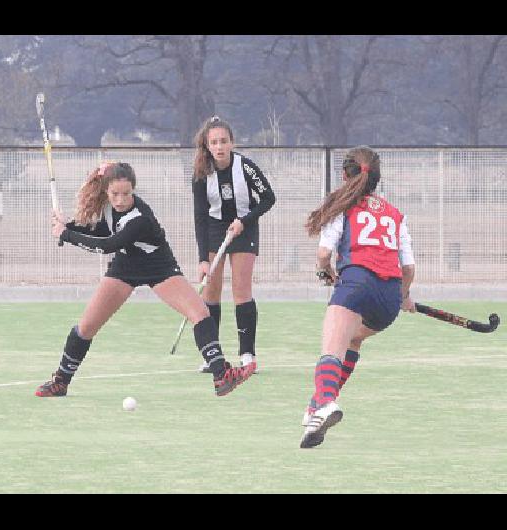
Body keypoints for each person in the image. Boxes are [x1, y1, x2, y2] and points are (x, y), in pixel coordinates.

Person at [36, 162, 247, 398]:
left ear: (133, 190)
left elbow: (108, 245)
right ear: (106, 190)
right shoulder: (109, 207)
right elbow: (102, 232)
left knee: (200, 313)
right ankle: (61, 381)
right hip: (124, 267)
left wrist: (67, 235)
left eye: (126, 194)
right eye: (115, 194)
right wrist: (69, 225)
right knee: (86, 327)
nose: (120, 200)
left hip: (158, 267)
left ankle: (221, 375)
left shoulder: (140, 217)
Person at [299, 146, 415, 449]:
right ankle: (316, 410)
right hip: (388, 300)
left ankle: (324, 403)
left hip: (356, 285)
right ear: (377, 178)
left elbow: (324, 255)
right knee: (352, 339)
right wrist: (404, 296)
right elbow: (408, 268)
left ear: (344, 175)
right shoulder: (395, 214)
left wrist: (325, 274)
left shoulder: (343, 206)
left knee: (331, 348)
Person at [192, 116, 276, 376]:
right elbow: (200, 217)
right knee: (211, 293)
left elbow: (268, 198)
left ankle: (247, 354)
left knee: (241, 290)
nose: (219, 147)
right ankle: (213, 355)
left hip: (244, 227)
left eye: (224, 141)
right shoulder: (200, 174)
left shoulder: (246, 167)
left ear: (232, 142)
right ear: (207, 145)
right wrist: (202, 259)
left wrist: (245, 220)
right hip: (216, 229)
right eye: (214, 142)